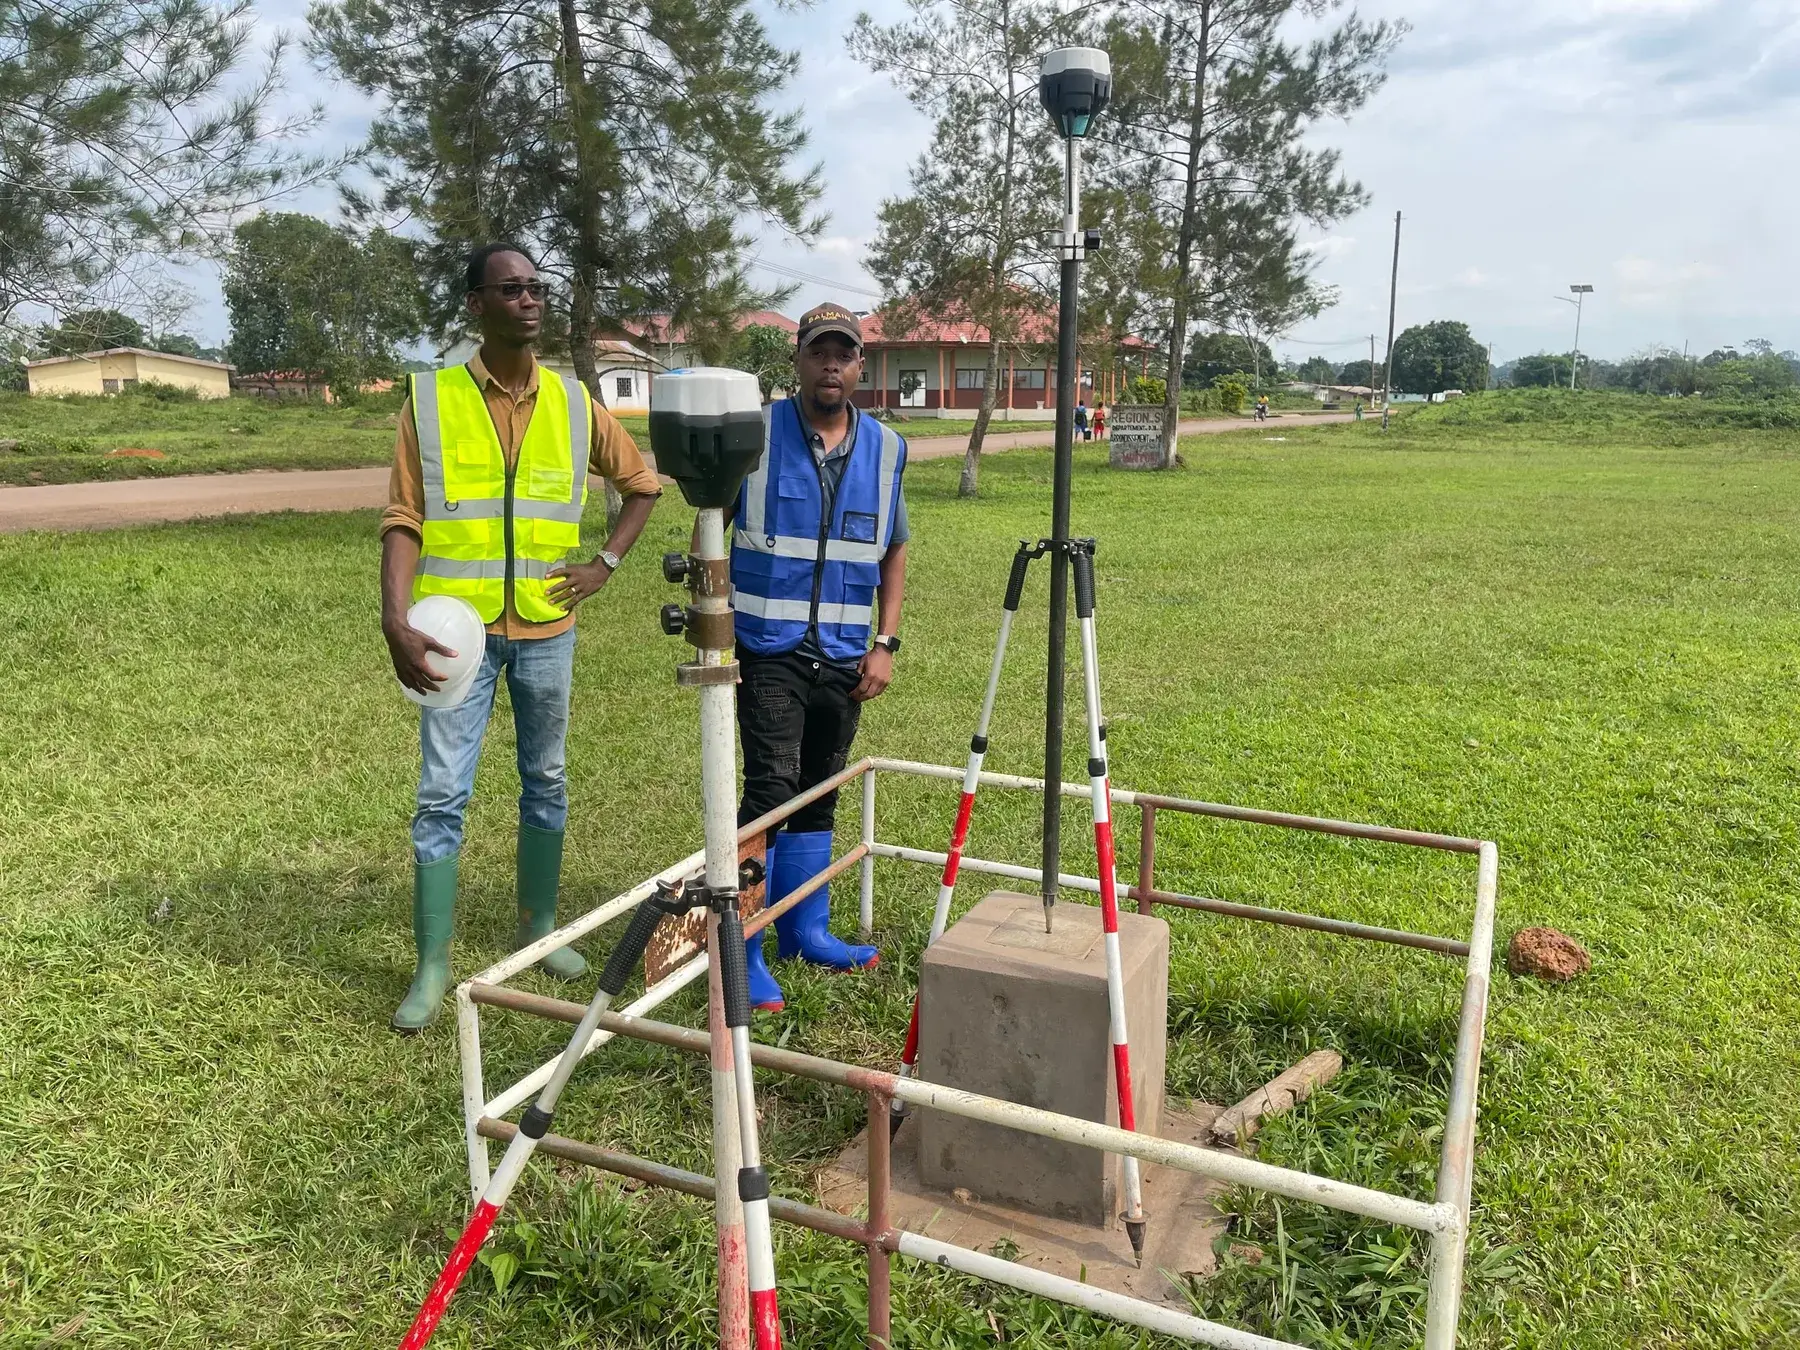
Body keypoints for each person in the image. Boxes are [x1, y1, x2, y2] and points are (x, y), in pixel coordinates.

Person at [379, 243, 662, 1033]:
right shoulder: (430, 401)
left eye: (538, 288)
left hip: (546, 628)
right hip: (455, 637)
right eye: (512, 289)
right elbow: (403, 519)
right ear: (476, 304)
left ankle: (539, 928)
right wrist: (393, 618)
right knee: (442, 795)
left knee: (547, 776)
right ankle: (432, 964)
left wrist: (603, 563)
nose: (530, 300)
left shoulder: (576, 402)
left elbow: (641, 485)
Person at [728, 303, 909, 1012]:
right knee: (770, 788)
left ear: (861, 366)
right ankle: (741, 943)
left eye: (845, 353)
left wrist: (885, 643)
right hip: (768, 647)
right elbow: (712, 518)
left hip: (843, 653)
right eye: (818, 352)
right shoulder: (754, 434)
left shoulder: (888, 450)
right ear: (798, 361)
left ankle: (806, 928)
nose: (831, 364)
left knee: (819, 787)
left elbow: (894, 550)